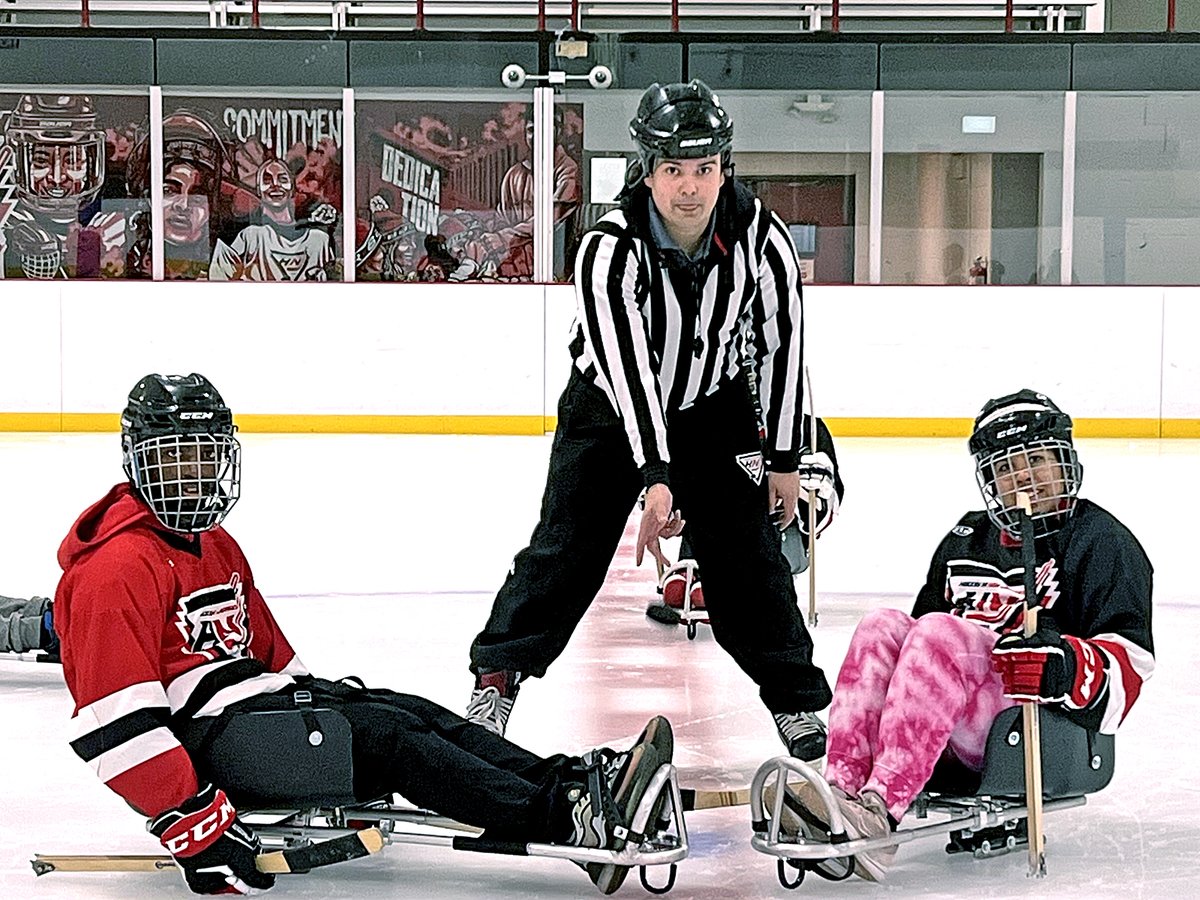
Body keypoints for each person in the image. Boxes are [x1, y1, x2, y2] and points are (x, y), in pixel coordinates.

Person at [54, 372, 673, 897]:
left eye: (205, 453)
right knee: (389, 740)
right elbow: (116, 728)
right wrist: (191, 820)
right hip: (210, 743)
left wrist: (319, 702)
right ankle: (569, 820)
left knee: (411, 714)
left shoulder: (215, 543)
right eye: (175, 454)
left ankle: (572, 782)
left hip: (258, 713)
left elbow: (268, 652)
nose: (193, 472)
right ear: (138, 458)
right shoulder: (113, 569)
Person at [465, 80, 833, 762]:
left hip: (711, 405)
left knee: (748, 558)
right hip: (609, 407)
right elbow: (631, 375)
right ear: (648, 169)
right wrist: (656, 478)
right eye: (673, 170)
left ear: (724, 166)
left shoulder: (764, 239)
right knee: (564, 553)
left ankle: (796, 702)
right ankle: (497, 679)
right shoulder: (609, 249)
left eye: (703, 169)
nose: (689, 187)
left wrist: (783, 459)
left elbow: (783, 346)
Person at [781, 389, 1154, 881]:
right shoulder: (966, 536)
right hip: (945, 732)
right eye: (1005, 467)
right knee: (882, 626)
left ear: (1067, 460)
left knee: (937, 633)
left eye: (1037, 459)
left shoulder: (1103, 543)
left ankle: (876, 815)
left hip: (1033, 728)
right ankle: (841, 790)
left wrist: (1062, 666)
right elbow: (913, 647)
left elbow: (1131, 665)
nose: (1022, 476)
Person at [657, 413, 843, 614]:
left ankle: (731, 579)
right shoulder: (706, 422)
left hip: (780, 532)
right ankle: (697, 569)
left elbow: (825, 497)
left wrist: (795, 491)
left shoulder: (807, 428)